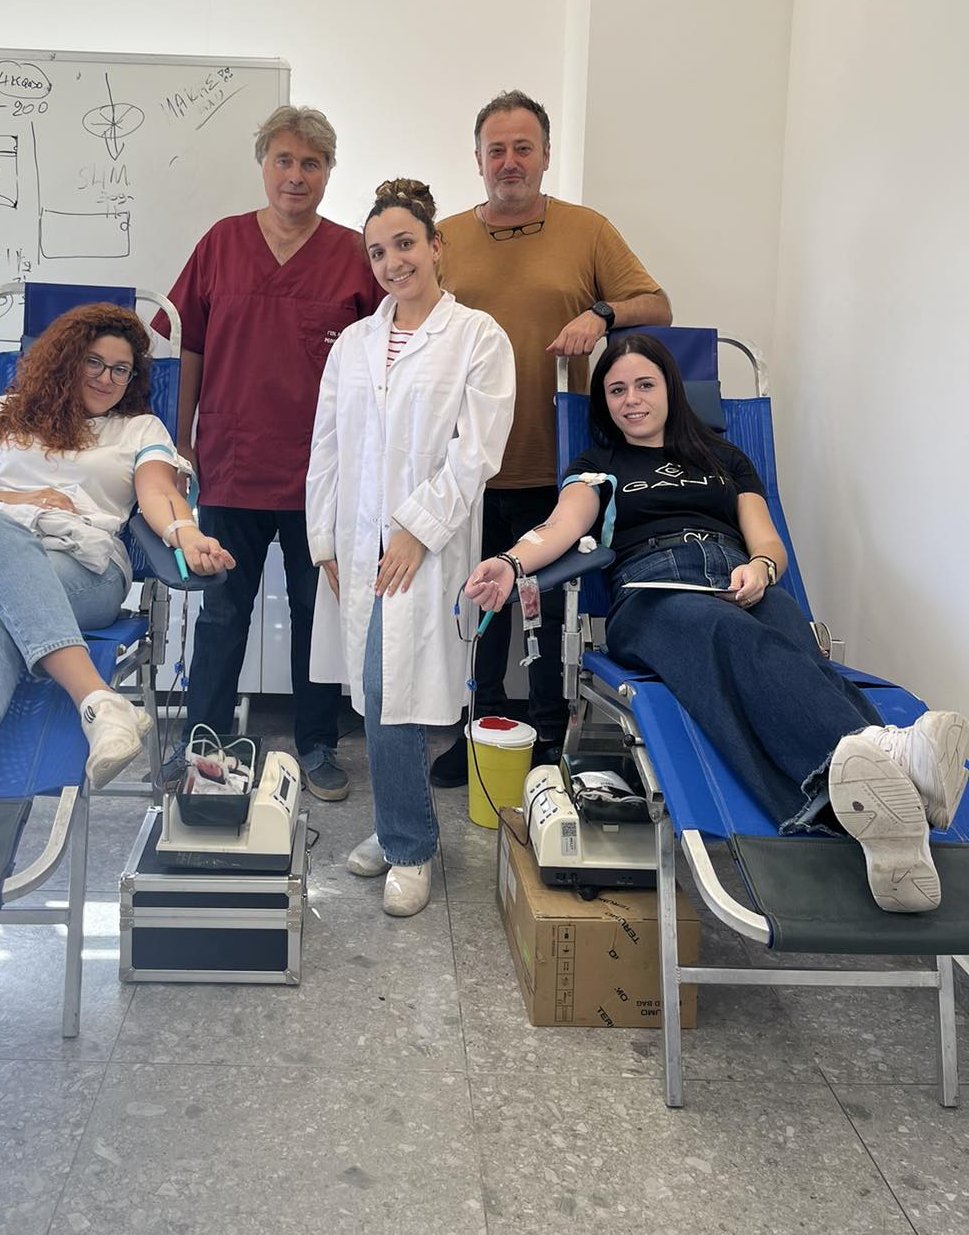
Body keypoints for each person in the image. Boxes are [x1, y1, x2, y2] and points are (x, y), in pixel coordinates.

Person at [464, 333, 969, 913]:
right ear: (603, 402)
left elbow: (768, 542)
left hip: (739, 577)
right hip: (654, 591)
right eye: (616, 390)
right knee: (728, 634)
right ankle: (894, 757)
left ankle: (886, 835)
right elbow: (558, 528)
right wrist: (510, 563)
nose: (632, 399)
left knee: (793, 643)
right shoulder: (597, 465)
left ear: (671, 390)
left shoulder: (725, 458)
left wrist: (761, 568)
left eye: (645, 385)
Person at [0, 303, 234, 862]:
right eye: (94, 362)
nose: (107, 378)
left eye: (121, 370)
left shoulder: (139, 428)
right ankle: (99, 703)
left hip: (81, 569)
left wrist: (186, 534)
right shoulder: (3, 413)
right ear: (65, 359)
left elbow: (159, 491)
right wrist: (24, 501)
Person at [431, 89, 672, 787]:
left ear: (544, 155)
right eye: (496, 150)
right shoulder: (444, 238)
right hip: (464, 465)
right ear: (478, 159)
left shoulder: (586, 230)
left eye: (522, 148)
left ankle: (545, 738)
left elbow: (657, 304)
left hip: (556, 459)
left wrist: (601, 313)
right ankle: (478, 734)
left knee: (548, 605)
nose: (509, 161)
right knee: (477, 607)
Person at [152, 106, 381, 801]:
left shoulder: (353, 255)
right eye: (284, 160)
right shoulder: (222, 243)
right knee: (223, 613)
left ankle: (317, 745)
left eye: (311, 163)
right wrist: (181, 439)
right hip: (231, 462)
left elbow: (383, 359)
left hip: (322, 474)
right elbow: (187, 345)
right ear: (263, 165)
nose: (296, 175)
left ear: (329, 172)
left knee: (319, 616)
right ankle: (204, 742)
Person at [307, 179, 515, 916]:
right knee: (376, 693)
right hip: (357, 541)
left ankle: (409, 845)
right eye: (377, 252)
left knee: (392, 689)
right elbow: (327, 445)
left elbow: (475, 453)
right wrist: (325, 539)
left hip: (424, 541)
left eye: (405, 244)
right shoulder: (355, 344)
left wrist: (417, 531)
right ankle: (398, 823)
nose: (393, 262)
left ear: (435, 247)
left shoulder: (478, 337)